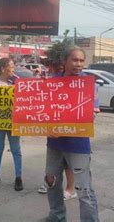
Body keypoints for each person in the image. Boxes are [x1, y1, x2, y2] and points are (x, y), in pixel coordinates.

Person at [44, 46, 99, 222]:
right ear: (65, 62)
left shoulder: (89, 85)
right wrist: (45, 126)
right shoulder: (51, 82)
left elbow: (92, 114)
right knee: (51, 182)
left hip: (78, 145)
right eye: (75, 60)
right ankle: (56, 216)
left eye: (82, 61)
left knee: (84, 189)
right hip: (54, 144)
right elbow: (41, 109)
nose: (79, 64)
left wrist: (90, 114)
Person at [38, 61, 77, 200]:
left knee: (69, 164)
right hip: (54, 136)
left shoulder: (82, 82)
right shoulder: (52, 80)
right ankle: (50, 187)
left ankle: (71, 189)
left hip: (73, 135)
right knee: (53, 167)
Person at [0, 58, 24, 191]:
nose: (14, 69)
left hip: (14, 121)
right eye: (12, 66)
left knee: (15, 150)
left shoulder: (18, 82)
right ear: (3, 68)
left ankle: (18, 177)